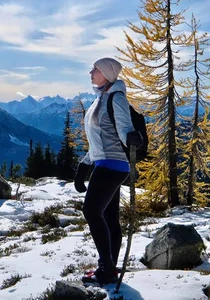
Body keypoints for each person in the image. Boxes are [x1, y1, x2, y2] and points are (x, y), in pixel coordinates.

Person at [74, 57, 143, 285]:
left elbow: (124, 128)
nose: (91, 72)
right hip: (105, 163)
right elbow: (98, 140)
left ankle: (107, 268)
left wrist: (132, 138)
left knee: (92, 211)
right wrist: (85, 165)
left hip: (112, 165)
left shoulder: (116, 97)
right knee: (108, 217)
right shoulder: (101, 98)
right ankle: (110, 266)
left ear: (107, 73)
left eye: (96, 69)